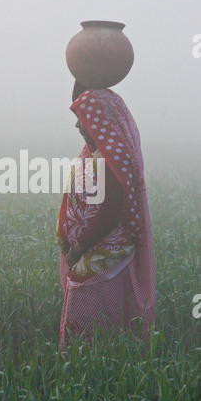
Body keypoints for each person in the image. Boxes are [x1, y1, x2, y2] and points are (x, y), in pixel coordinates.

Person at [56, 81, 156, 346]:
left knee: (93, 323)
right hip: (95, 250)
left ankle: (90, 370)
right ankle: (93, 368)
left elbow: (109, 212)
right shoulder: (97, 153)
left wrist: (79, 247)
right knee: (102, 322)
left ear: (100, 121)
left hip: (103, 253)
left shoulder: (111, 158)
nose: (77, 125)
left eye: (82, 118)